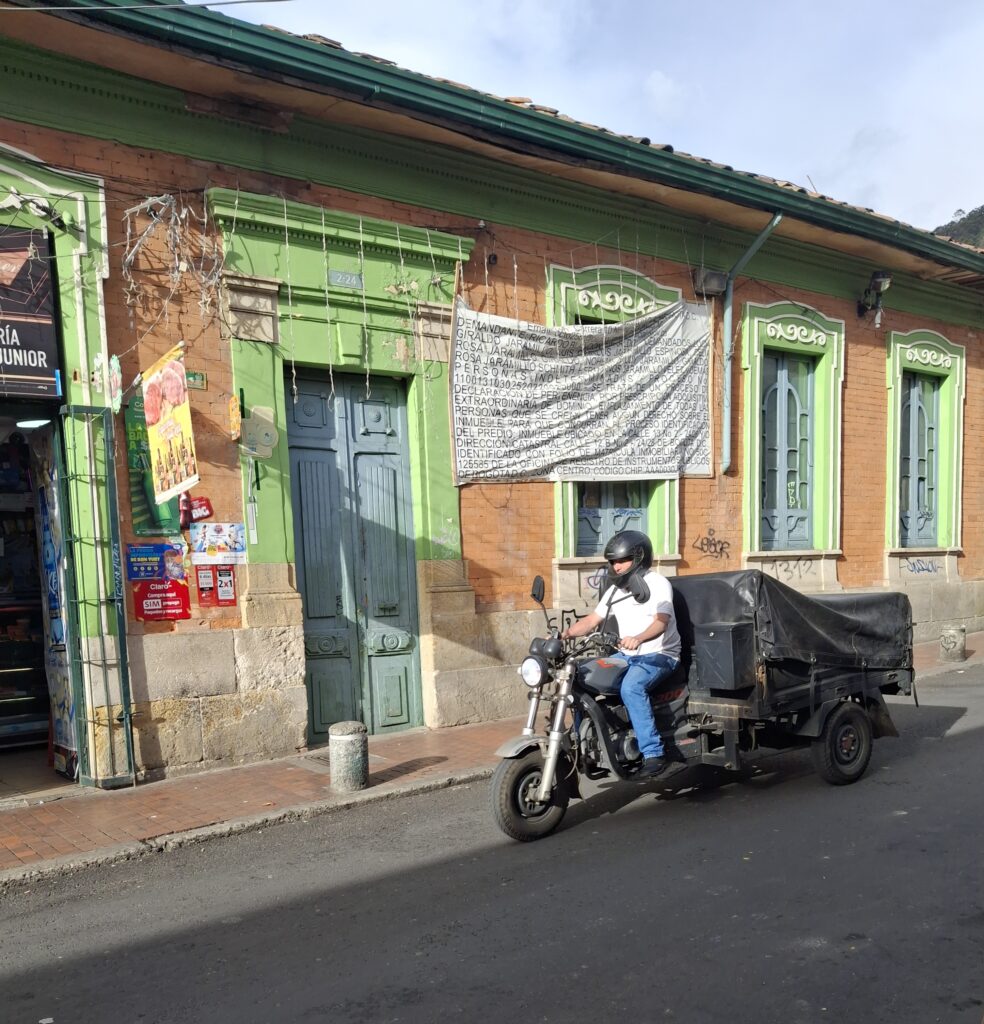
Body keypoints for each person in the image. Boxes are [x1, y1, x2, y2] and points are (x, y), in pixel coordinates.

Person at [561, 529, 682, 778]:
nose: (616, 566)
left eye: (622, 560)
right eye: (613, 561)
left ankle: (653, 753)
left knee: (631, 688)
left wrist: (638, 638)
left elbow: (661, 622)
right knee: (579, 676)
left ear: (638, 557)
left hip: (660, 654)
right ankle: (581, 742)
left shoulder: (658, 584)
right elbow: (593, 619)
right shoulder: (616, 590)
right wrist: (566, 634)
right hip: (627, 655)